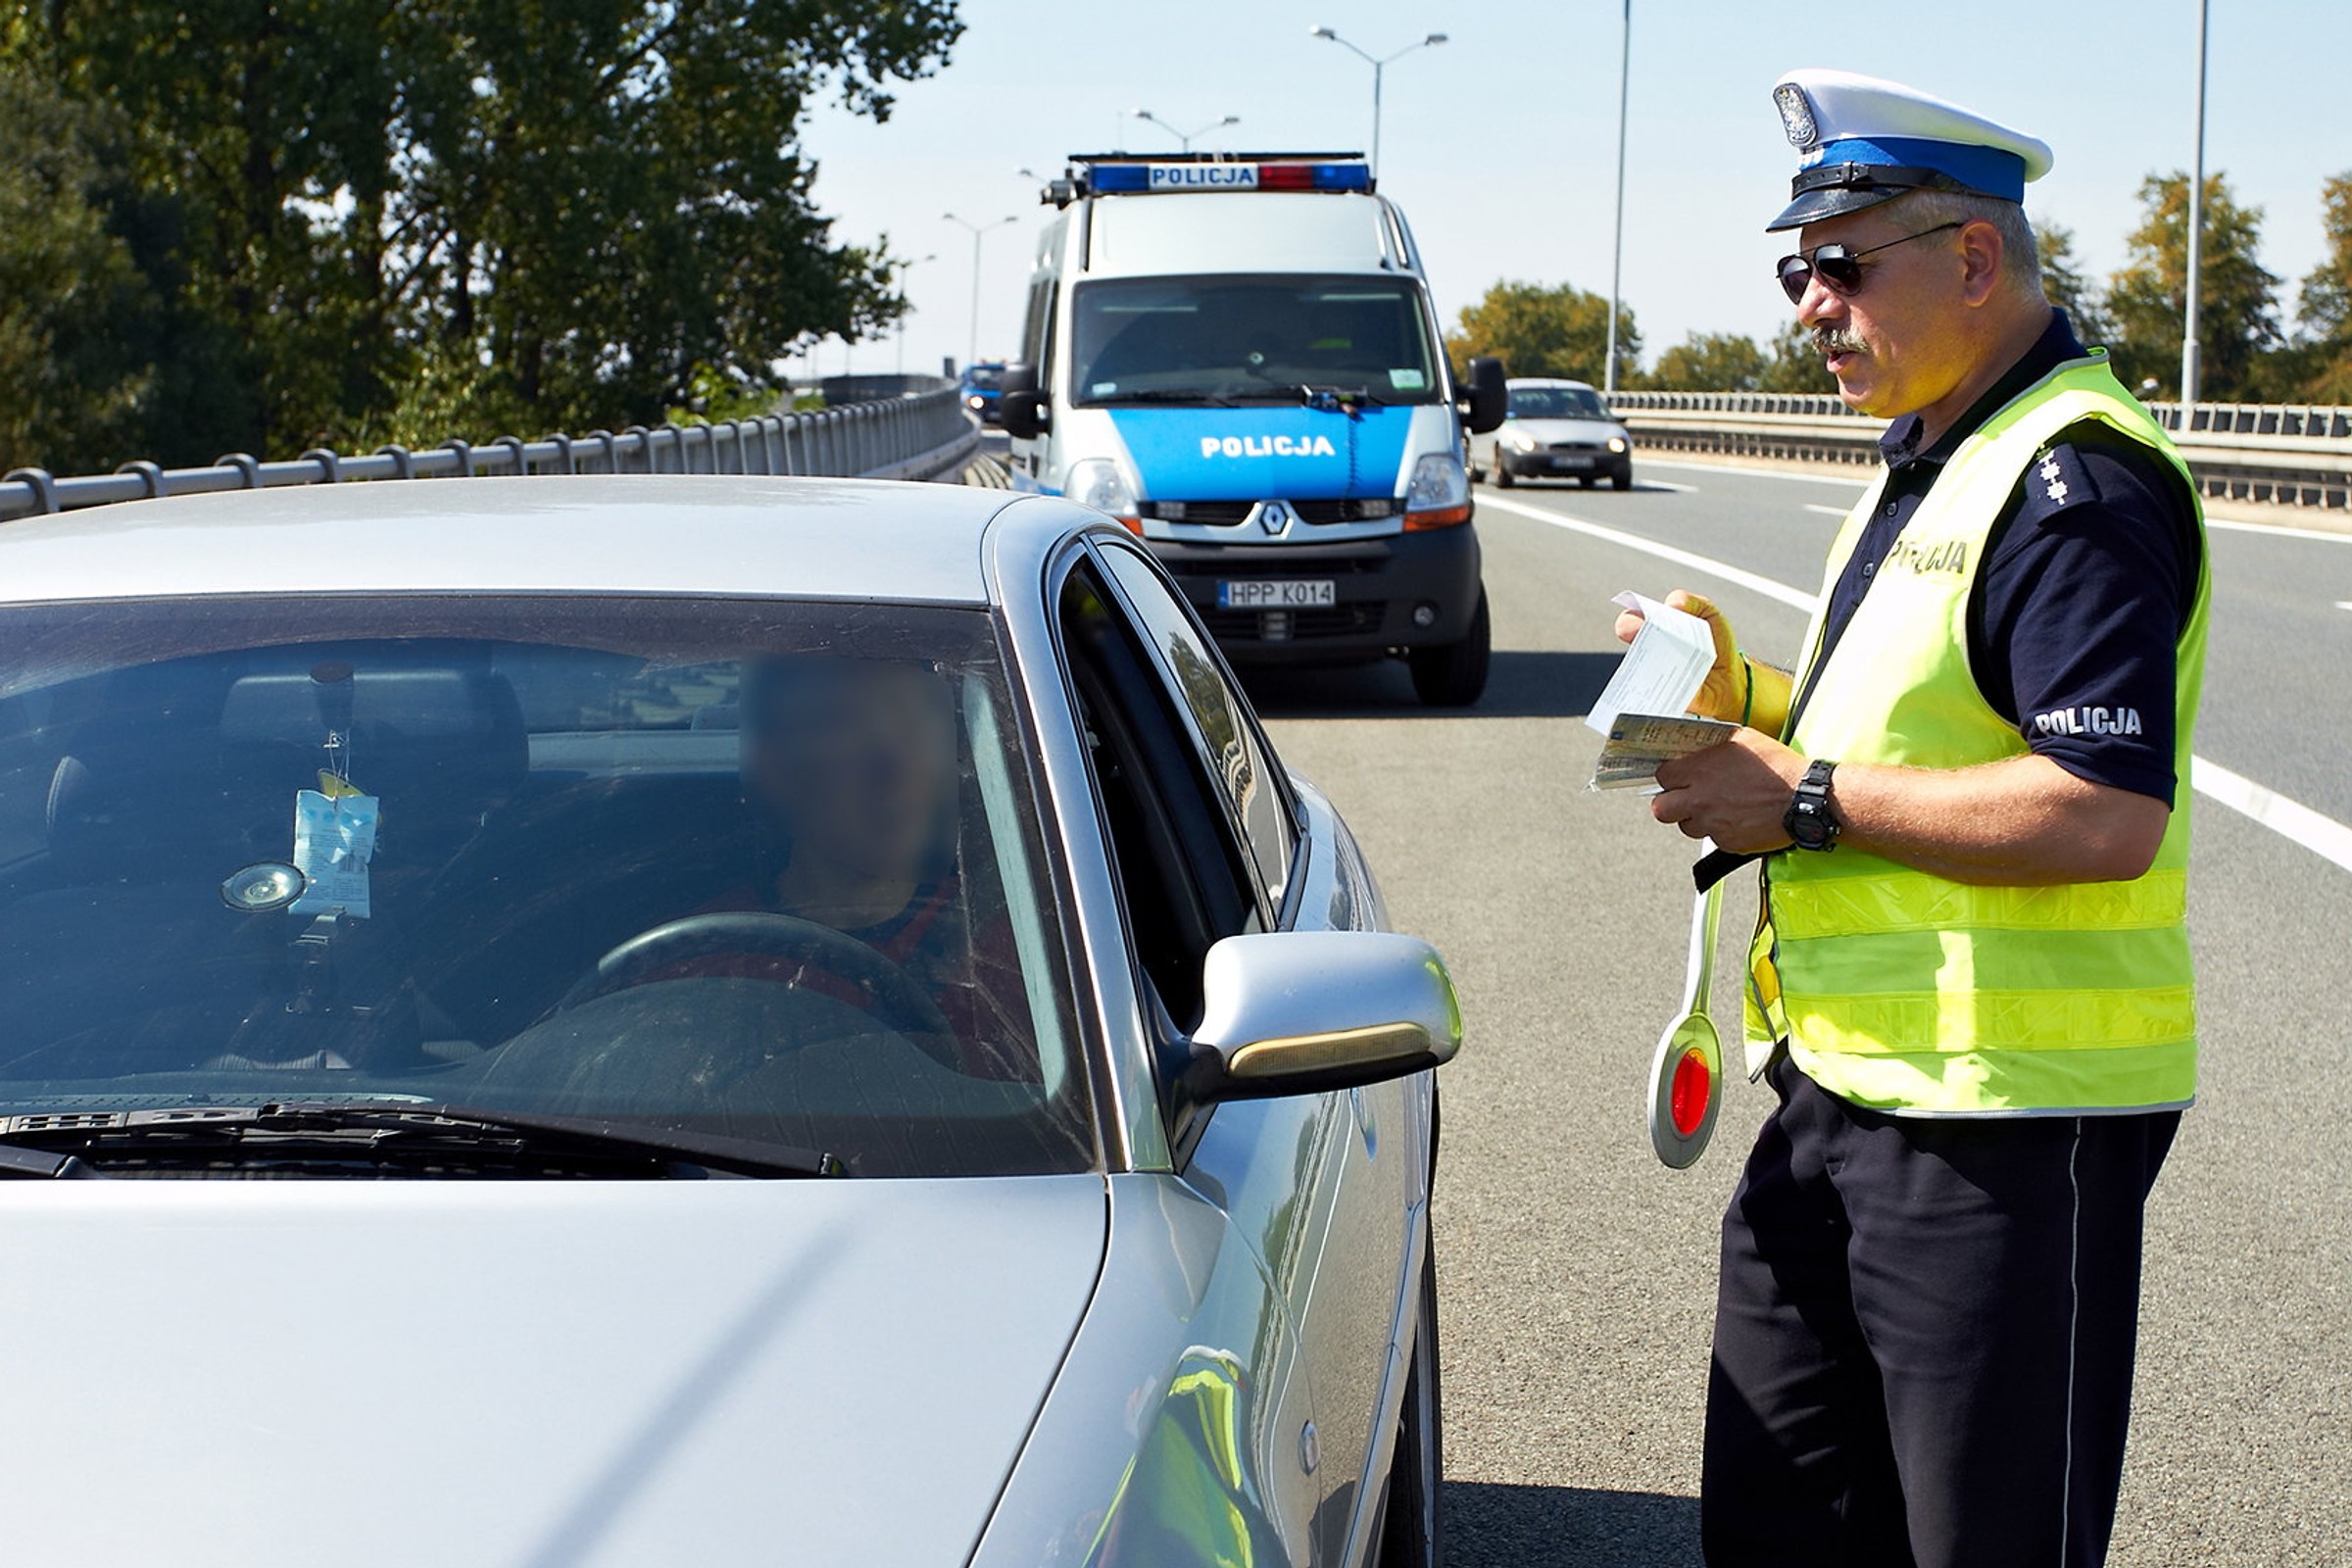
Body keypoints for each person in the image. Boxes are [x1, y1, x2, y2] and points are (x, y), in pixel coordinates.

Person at [1618, 68, 2209, 1568]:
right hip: (1844, 1090)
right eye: (1795, 273)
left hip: (2004, 1122)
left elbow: (2102, 810)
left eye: (1842, 266)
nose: (1811, 307)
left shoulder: (2075, 484)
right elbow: (1921, 719)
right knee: (1783, 1529)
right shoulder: (1939, 452)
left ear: (1975, 258)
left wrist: (1802, 800)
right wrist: (1739, 690)